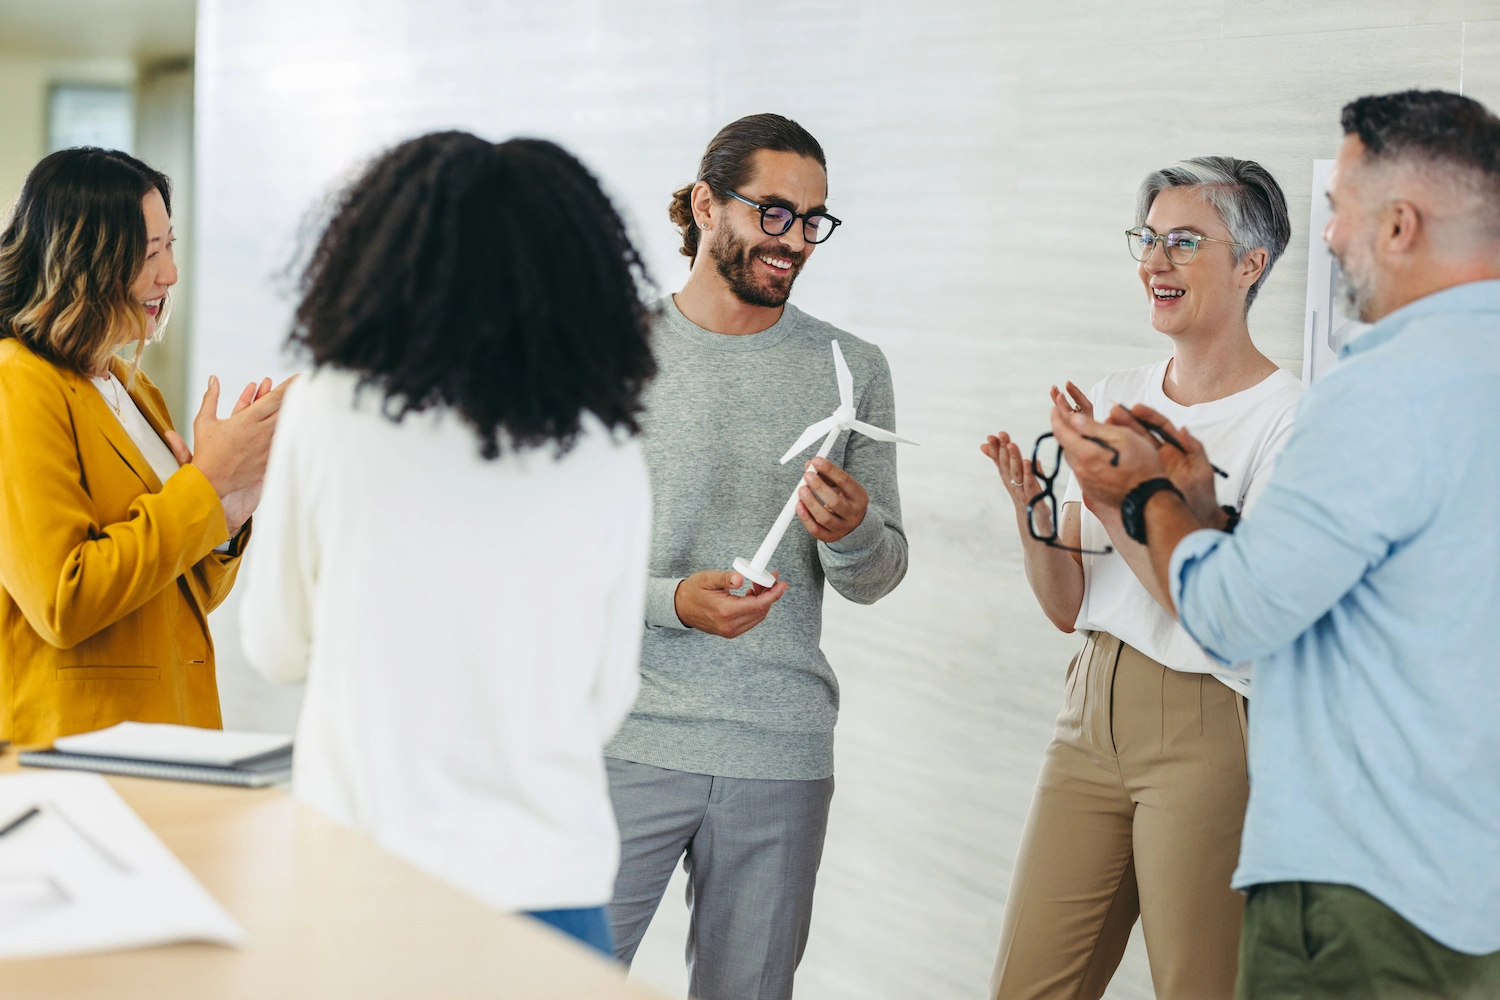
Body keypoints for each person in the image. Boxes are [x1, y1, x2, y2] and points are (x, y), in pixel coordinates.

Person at [1055, 89, 1500, 999]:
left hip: (1362, 880)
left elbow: (1235, 615)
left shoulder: (1371, 394)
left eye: (1340, 209)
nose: (1329, 237)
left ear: (1402, 224)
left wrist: (1146, 498)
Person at [238, 132, 657, 955]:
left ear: (381, 260)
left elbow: (276, 648)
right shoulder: (608, 446)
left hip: (362, 888)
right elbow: (605, 699)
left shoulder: (329, 407)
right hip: (553, 896)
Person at [981, 157, 1302, 1000]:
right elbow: (1067, 608)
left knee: (1197, 986)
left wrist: (1124, 502)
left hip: (1206, 726)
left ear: (1250, 264)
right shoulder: (1112, 394)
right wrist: (1037, 516)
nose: (1154, 263)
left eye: (1184, 242)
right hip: (1087, 709)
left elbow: (1223, 616)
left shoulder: (1291, 420)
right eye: (1148, 240)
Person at [605, 113, 907, 998]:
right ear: (706, 203)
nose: (796, 241)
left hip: (780, 749)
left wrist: (852, 534)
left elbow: (879, 576)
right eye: (774, 213)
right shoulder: (608, 352)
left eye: (814, 220)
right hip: (623, 735)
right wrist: (673, 603)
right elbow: (544, 564)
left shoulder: (853, 368)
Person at [0, 147, 286, 745]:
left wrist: (227, 513)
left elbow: (177, 597)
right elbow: (63, 599)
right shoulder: (16, 381)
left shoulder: (130, 387)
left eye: (170, 245)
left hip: (162, 740)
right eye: (150, 252)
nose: (170, 274)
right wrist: (203, 483)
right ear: (84, 261)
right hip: (73, 752)